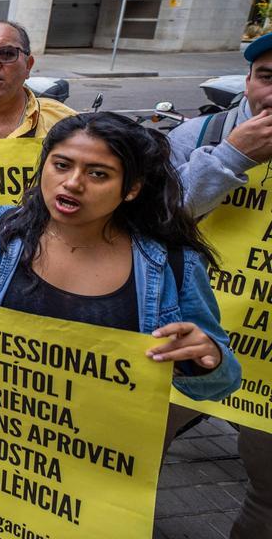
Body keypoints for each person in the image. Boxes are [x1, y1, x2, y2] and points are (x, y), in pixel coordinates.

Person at [0, 113, 242, 441]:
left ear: (132, 188)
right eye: (61, 165)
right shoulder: (1, 229)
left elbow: (219, 384)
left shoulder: (173, 264)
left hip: (98, 455)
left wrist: (203, 358)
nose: (73, 183)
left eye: (98, 174)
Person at [167, 34, 272, 539]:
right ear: (248, 82)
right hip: (177, 338)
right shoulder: (197, 135)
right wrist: (230, 157)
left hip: (266, 353)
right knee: (123, 454)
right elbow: (147, 218)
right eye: (267, 78)